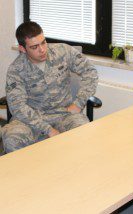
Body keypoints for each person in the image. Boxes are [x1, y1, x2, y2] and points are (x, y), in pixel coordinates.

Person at [2, 21, 98, 153]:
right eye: (34, 47)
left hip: (64, 113)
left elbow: (90, 71)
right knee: (12, 138)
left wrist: (79, 102)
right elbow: (18, 106)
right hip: (32, 119)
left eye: (43, 42)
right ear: (23, 49)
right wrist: (48, 130)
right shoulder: (16, 69)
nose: (42, 50)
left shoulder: (63, 51)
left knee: (83, 131)